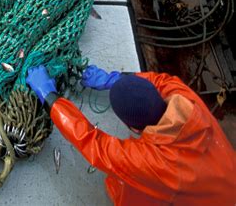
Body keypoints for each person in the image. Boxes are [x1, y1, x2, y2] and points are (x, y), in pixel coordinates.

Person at [26, 64, 236, 205]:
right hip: (228, 176)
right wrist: (115, 80)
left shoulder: (153, 162)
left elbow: (93, 144)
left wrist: (49, 97)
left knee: (122, 187)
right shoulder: (184, 99)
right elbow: (160, 81)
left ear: (134, 128)